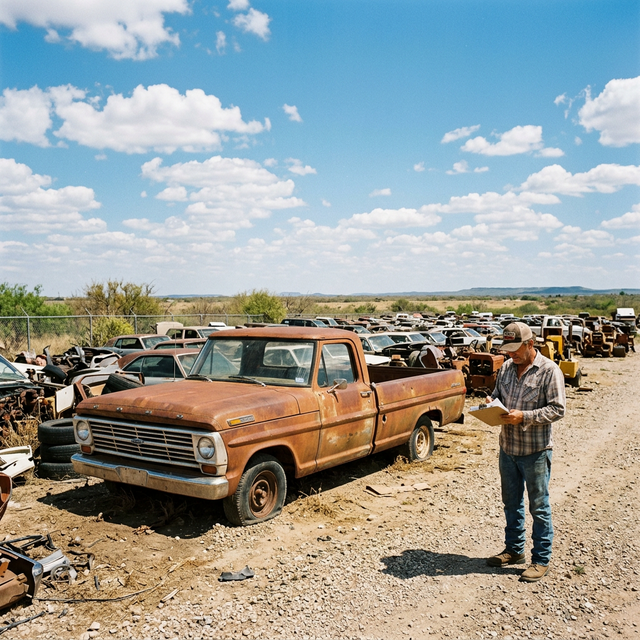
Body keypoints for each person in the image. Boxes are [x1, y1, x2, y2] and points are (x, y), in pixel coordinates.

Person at [486, 321, 566, 582]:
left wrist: (525, 417)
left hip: (535, 451)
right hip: (508, 448)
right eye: (508, 350)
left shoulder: (549, 371)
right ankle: (514, 550)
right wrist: (491, 404)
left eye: (515, 350)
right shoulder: (507, 367)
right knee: (511, 503)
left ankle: (541, 559)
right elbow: (497, 394)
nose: (511, 355)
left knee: (539, 507)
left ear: (530, 344)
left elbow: (557, 409)